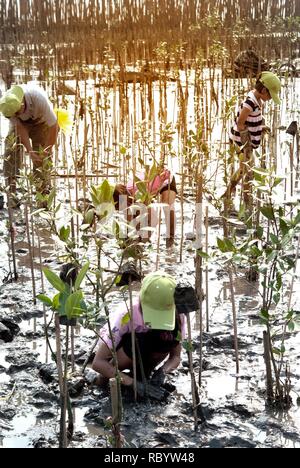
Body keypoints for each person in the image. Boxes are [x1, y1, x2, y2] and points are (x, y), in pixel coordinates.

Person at [92, 271, 186, 399]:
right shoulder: (127, 314)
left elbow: (175, 356)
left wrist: (163, 372)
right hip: (123, 354)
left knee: (166, 338)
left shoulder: (178, 315)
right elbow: (98, 362)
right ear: (142, 301)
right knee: (138, 343)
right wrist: (132, 383)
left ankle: (144, 375)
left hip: (147, 358)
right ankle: (114, 380)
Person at [223, 71, 281, 205]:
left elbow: (250, 121)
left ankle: (230, 192)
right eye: (270, 96)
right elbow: (240, 123)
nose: (271, 99)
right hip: (240, 142)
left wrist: (261, 127)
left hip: (244, 141)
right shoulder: (250, 103)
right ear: (264, 90)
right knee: (249, 170)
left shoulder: (257, 100)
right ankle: (245, 199)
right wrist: (247, 144)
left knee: (245, 169)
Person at [0, 83, 59, 202]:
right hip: (21, 125)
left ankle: (42, 195)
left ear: (22, 103)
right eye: (13, 115)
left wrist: (47, 150)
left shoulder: (38, 98)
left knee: (42, 157)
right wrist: (29, 151)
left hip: (41, 123)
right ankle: (12, 194)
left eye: (17, 112)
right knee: (10, 152)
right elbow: (20, 128)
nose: (15, 115)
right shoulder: (7, 106)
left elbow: (54, 126)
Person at [113, 168, 177, 247]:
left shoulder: (138, 191)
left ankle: (171, 238)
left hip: (166, 179)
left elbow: (154, 219)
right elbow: (129, 222)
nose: (122, 209)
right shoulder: (126, 198)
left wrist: (144, 240)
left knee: (168, 208)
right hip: (151, 186)